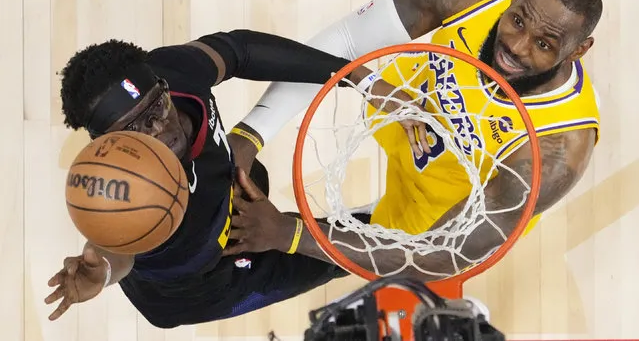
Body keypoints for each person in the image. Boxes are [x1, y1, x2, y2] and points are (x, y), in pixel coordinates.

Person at [223, 0, 603, 279]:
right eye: (517, 20)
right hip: (403, 111)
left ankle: (369, 219)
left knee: (219, 286)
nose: (515, 47)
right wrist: (250, 134)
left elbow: (441, 254)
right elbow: (349, 41)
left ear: (578, 50)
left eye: (543, 44)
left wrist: (288, 235)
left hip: (441, 210)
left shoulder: (557, 151)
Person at [45, 29, 427, 328]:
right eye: (139, 128)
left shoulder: (174, 72)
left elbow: (239, 50)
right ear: (112, 143)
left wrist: (358, 78)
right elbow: (119, 249)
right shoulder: (124, 192)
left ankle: (268, 216)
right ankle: (365, 220)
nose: (162, 126)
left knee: (253, 177)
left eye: (157, 106)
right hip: (208, 281)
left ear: (160, 85)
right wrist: (105, 271)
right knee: (352, 255)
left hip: (223, 193)